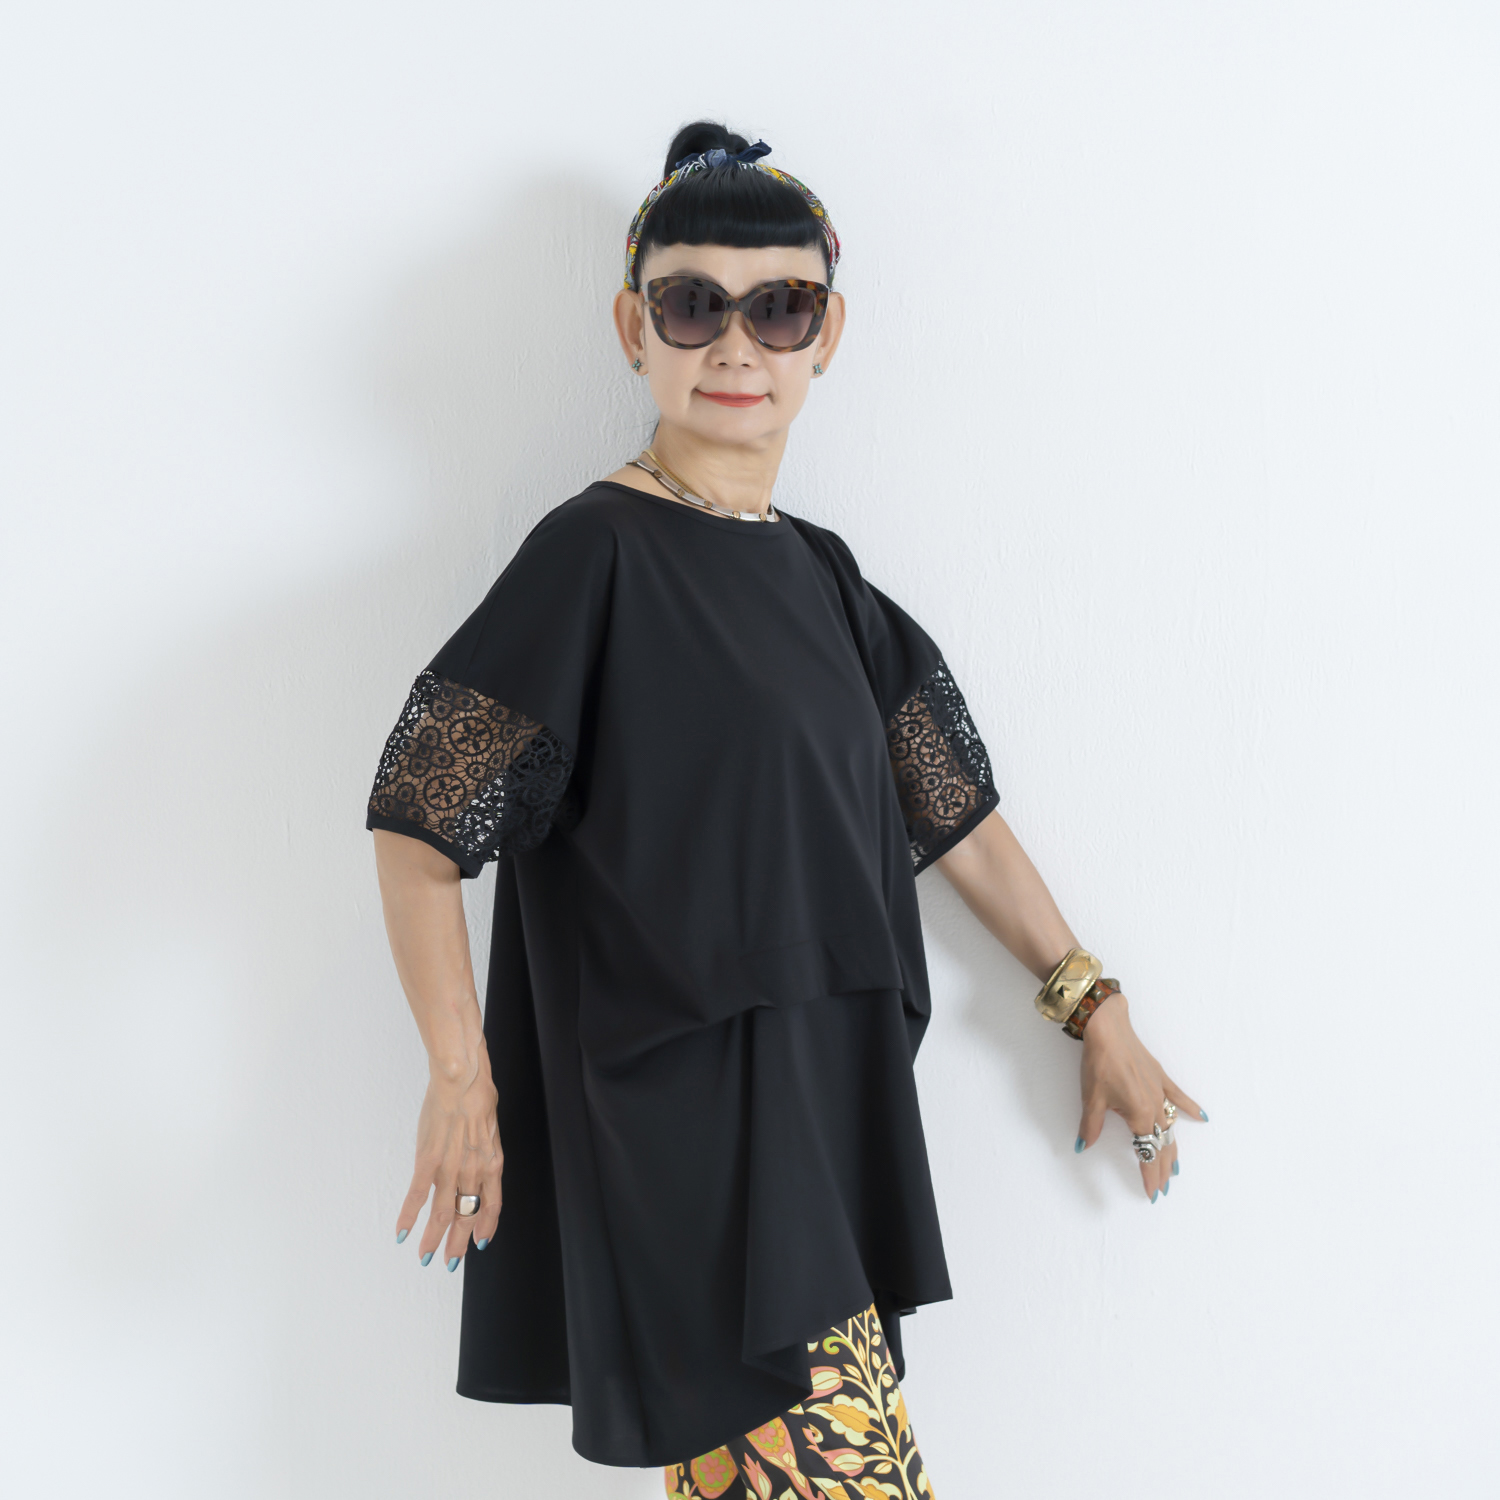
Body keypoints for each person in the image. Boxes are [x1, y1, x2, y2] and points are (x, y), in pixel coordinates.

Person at [366, 121, 1207, 1496]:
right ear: (634, 328)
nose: (736, 346)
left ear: (828, 334)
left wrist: (1091, 1004)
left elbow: (957, 816)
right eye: (694, 305)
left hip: (816, 1135)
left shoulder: (824, 580)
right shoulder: (594, 555)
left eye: (780, 308)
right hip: (689, 1156)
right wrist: (462, 1079)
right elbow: (419, 821)